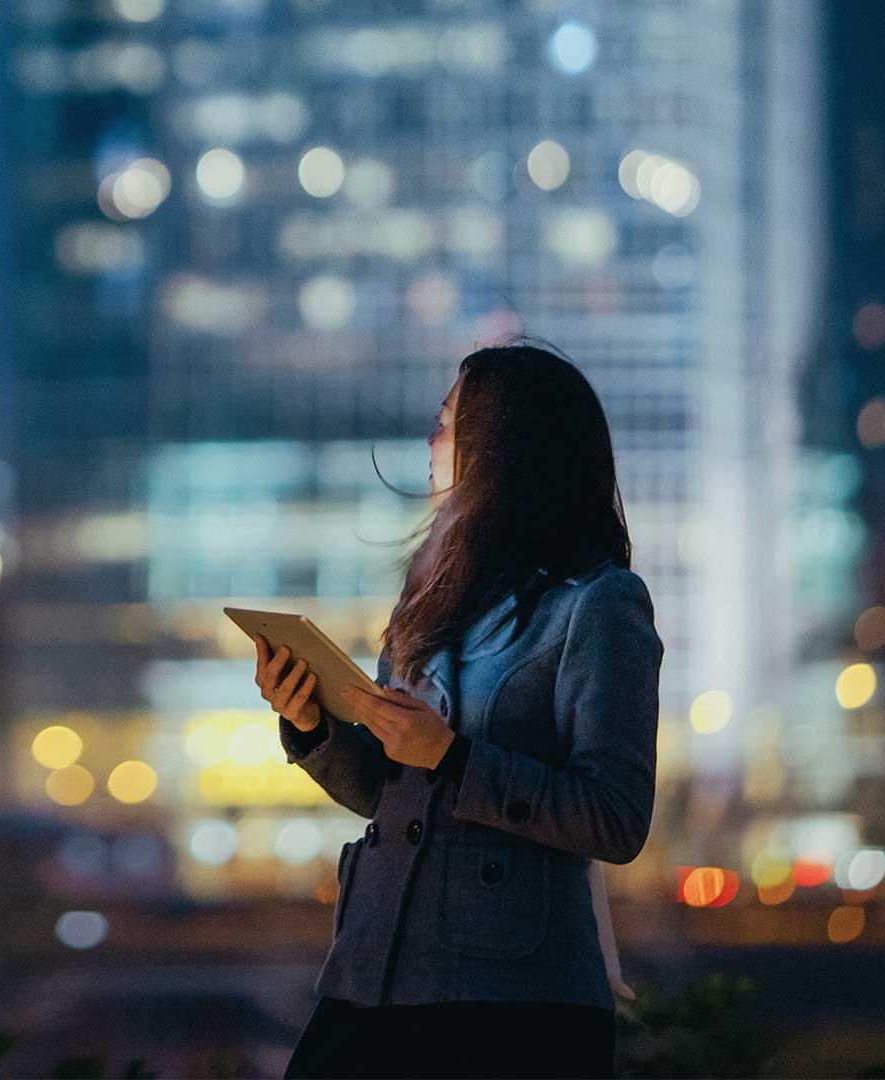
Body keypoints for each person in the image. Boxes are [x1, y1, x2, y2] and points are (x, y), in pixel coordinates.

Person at [255, 341, 664, 1079]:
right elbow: (390, 795)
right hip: (372, 975)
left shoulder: (596, 603)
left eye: (448, 423)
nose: (431, 441)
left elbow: (617, 815)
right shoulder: (431, 594)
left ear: (503, 446)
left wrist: (455, 756)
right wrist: (312, 725)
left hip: (511, 1001)